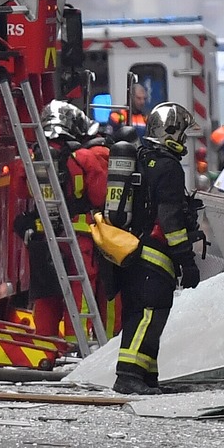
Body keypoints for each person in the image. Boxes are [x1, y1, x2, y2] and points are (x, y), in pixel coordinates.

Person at [111, 102, 202, 396]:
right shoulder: (169, 166)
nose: (184, 140)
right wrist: (186, 260)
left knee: (138, 313)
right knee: (151, 313)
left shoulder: (141, 158)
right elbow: (170, 219)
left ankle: (146, 375)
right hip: (155, 253)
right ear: (170, 133)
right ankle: (129, 376)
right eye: (182, 133)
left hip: (132, 250)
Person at [13, 100, 113, 341]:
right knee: (80, 291)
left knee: (46, 293)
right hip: (79, 238)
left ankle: (45, 345)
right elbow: (100, 196)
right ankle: (76, 344)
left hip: (43, 238)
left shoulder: (30, 158)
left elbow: (20, 191)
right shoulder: (84, 158)